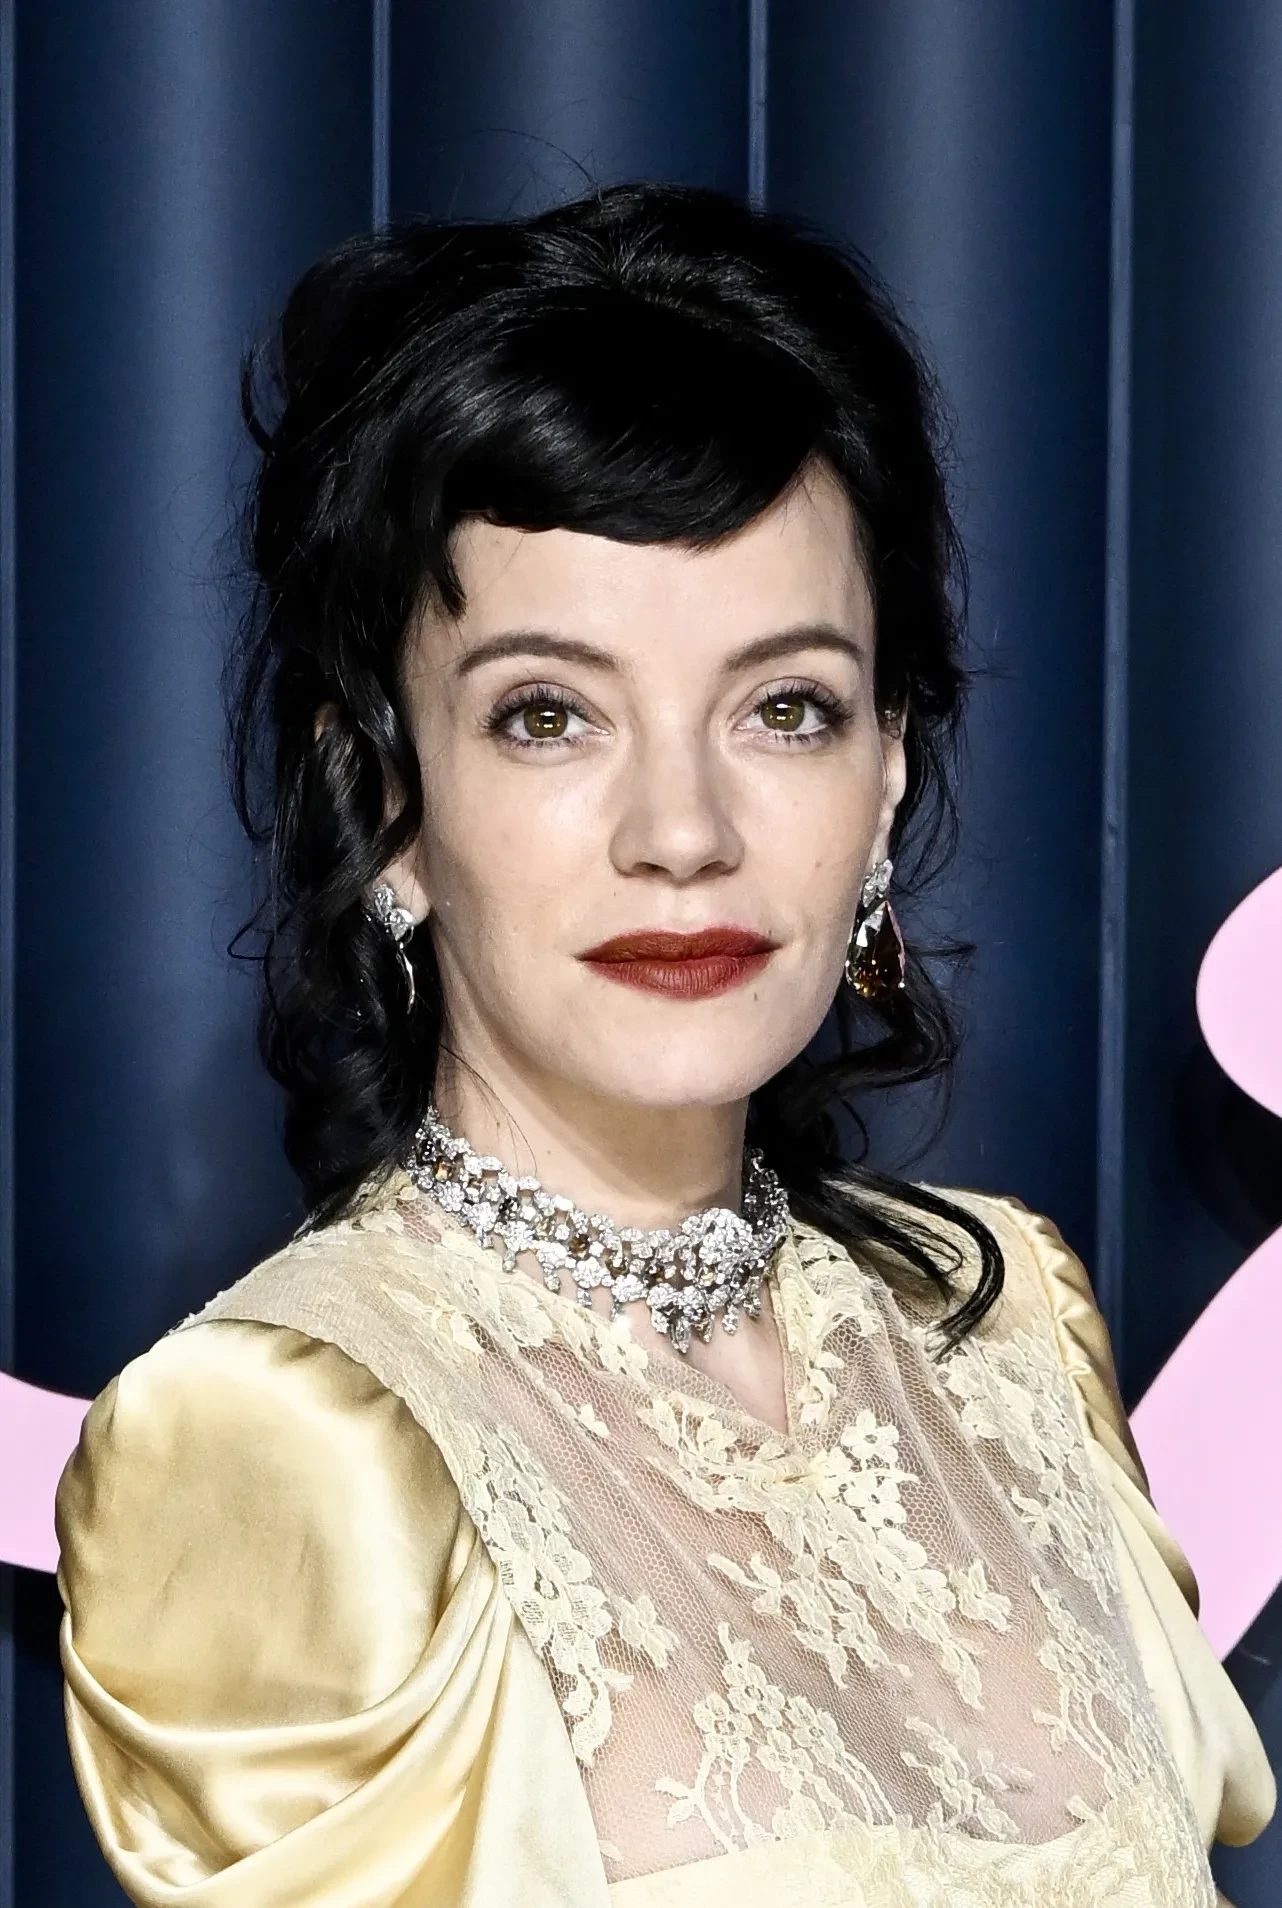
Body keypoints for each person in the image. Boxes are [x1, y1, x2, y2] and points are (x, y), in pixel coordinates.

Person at [54, 184, 1272, 1908]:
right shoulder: (280, 1447)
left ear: (886, 772)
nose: (682, 831)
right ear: (384, 799)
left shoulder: (999, 1321)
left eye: (785, 708)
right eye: (548, 714)